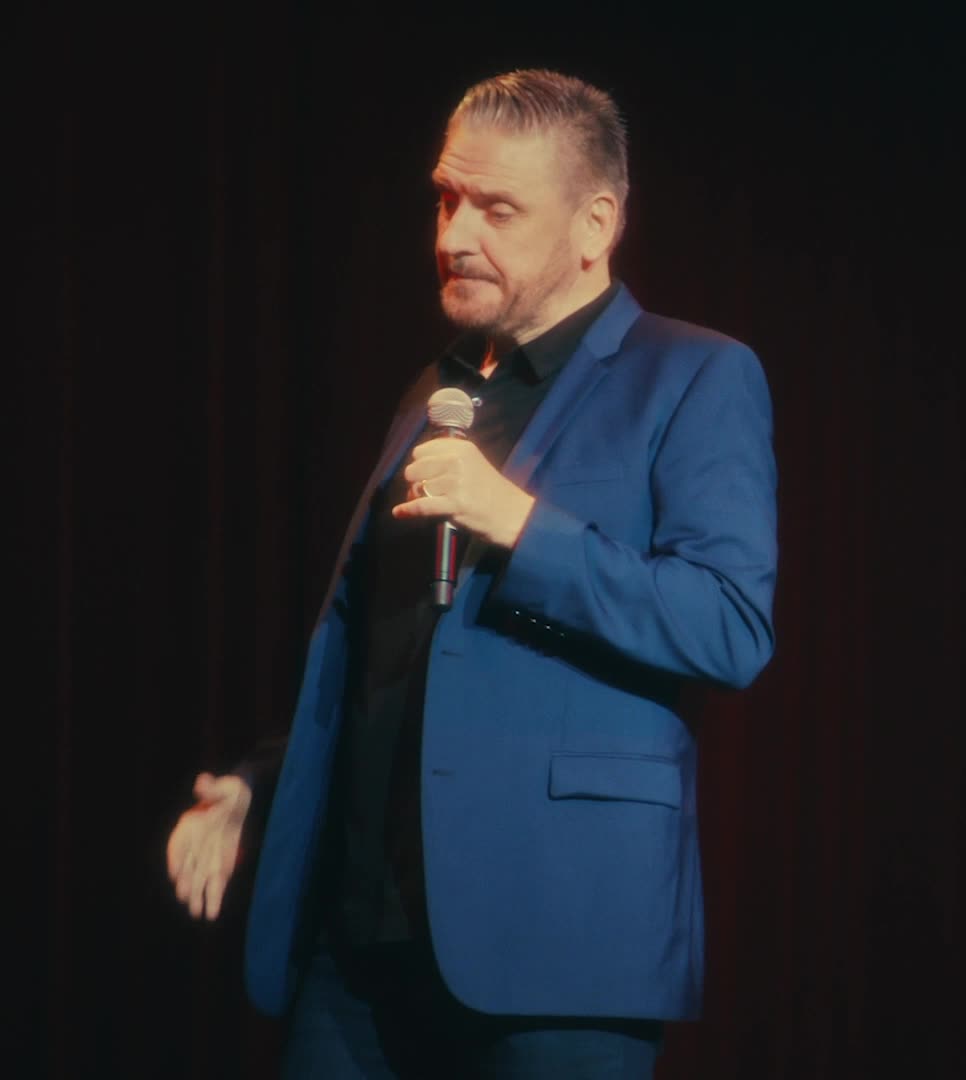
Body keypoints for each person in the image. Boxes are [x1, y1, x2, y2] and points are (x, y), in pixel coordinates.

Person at [164, 69, 777, 1077]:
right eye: (447, 198)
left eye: (497, 209)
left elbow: (728, 625)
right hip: (360, 945)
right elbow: (386, 655)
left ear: (595, 224)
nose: (454, 235)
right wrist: (259, 788)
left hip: (558, 941)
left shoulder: (693, 375)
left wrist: (521, 526)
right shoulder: (433, 393)